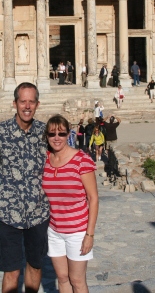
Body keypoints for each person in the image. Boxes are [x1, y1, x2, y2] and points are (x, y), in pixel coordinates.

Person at [0, 83, 50, 293]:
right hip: (8, 213)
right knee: (11, 271)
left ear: (37, 104)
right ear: (15, 103)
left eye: (31, 102)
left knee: (35, 266)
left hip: (38, 213)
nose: (27, 106)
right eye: (23, 101)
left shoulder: (45, 133)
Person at [42, 114, 98, 293]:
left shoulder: (82, 160)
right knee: (63, 278)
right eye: (52, 134)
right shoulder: (45, 161)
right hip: (54, 230)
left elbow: (93, 198)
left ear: (68, 134)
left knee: (77, 280)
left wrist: (89, 235)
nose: (56, 138)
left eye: (61, 133)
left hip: (77, 231)